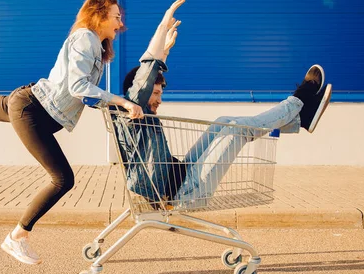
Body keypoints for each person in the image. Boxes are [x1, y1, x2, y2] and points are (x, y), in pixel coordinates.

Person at [0, 0, 185, 265]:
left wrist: (160, 53)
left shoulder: (94, 44)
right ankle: (17, 236)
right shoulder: (85, 38)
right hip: (31, 110)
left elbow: (92, 92)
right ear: (99, 15)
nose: (120, 22)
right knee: (63, 179)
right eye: (116, 16)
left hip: (30, 104)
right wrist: (120, 100)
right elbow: (78, 87)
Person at [117, 20, 332, 208]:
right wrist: (163, 30)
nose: (160, 100)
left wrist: (164, 53)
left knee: (224, 122)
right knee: (235, 131)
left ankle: (301, 119)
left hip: (182, 173)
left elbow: (144, 79)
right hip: (185, 194)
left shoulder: (137, 114)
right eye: (155, 93)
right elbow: (142, 81)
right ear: (139, 94)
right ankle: (300, 100)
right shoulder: (133, 112)